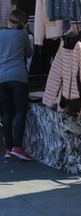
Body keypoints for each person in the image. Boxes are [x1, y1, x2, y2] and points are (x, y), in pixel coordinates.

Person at [0, 9, 33, 160]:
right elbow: (29, 53)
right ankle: (18, 147)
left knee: (6, 114)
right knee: (20, 112)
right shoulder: (23, 34)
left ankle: (8, 148)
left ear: (9, 20)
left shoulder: (0, 34)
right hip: (18, 77)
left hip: (2, 78)